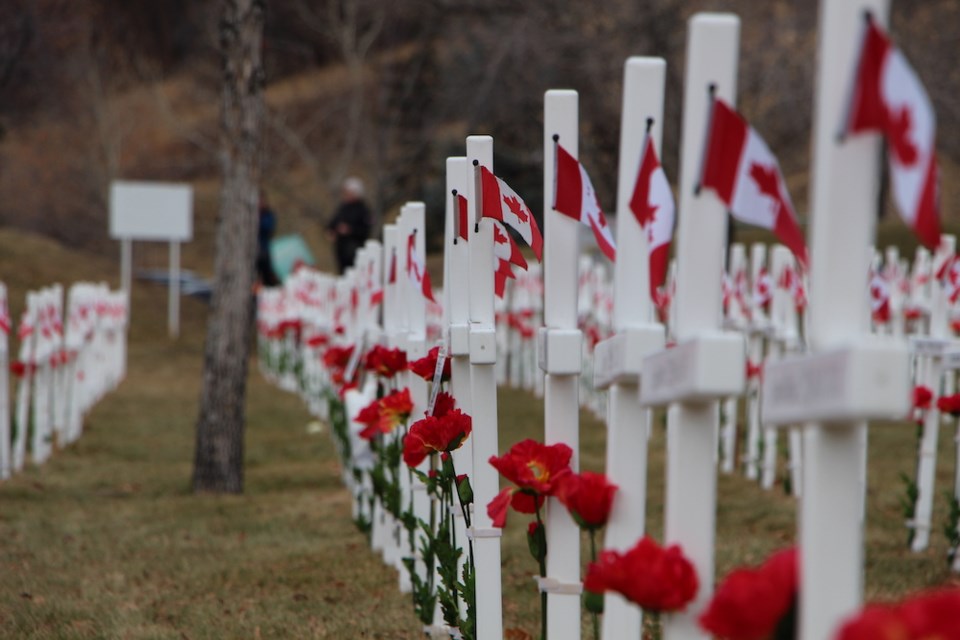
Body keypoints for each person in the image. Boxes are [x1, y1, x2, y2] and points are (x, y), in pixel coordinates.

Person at [326, 176, 372, 274]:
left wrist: (350, 230)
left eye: (349, 192)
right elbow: (333, 222)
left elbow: (365, 230)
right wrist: (332, 231)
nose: (346, 195)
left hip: (355, 248)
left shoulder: (363, 210)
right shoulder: (343, 207)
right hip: (341, 249)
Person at [257, 194, 280, 287]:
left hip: (264, 250)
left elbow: (268, 227)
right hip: (252, 251)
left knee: (267, 274)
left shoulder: (268, 214)